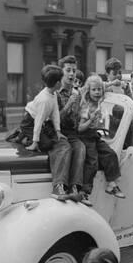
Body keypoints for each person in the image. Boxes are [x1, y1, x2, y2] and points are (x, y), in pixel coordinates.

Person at [9, 64, 72, 201]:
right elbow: (38, 122)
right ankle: (22, 135)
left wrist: (58, 131)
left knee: (51, 141)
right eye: (61, 80)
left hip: (38, 121)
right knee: (46, 145)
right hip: (29, 123)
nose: (62, 82)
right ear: (56, 83)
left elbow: (55, 112)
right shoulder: (44, 100)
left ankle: (27, 137)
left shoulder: (53, 94)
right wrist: (35, 142)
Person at [63, 74, 126, 200]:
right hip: (84, 135)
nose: (97, 92)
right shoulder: (86, 107)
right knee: (92, 161)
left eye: (99, 90)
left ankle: (111, 183)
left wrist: (112, 82)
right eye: (94, 90)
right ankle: (85, 191)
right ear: (88, 91)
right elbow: (80, 128)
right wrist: (91, 120)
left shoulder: (98, 99)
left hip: (94, 134)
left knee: (110, 153)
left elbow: (102, 85)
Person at [57, 55, 88, 204]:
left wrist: (86, 115)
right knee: (66, 149)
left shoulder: (78, 93)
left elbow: (77, 120)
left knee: (81, 148)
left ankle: (75, 187)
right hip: (57, 131)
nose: (71, 74)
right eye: (68, 70)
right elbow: (56, 119)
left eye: (74, 71)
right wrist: (69, 104)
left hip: (72, 132)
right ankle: (60, 186)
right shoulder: (56, 92)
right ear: (61, 72)